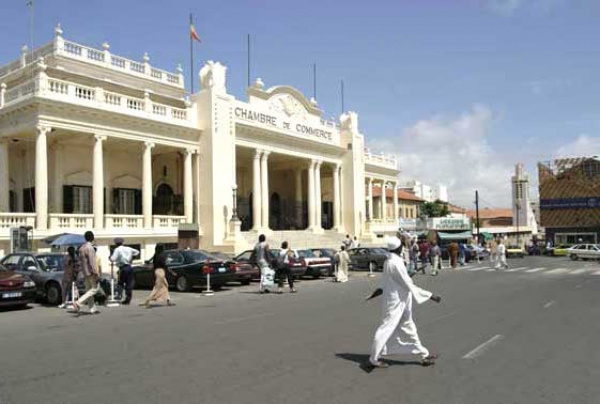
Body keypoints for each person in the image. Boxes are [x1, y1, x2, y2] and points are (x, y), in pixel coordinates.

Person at [366, 236, 441, 369]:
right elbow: (407, 283)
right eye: (402, 245)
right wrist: (430, 295)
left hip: (402, 300)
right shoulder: (394, 263)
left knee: (410, 327)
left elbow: (391, 282)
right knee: (386, 328)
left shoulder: (390, 262)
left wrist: (374, 294)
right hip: (395, 303)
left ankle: (424, 355)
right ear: (398, 248)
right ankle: (373, 358)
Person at [72, 231, 100, 314]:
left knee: (89, 290)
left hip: (84, 272)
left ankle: (92, 308)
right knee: (95, 289)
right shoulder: (90, 248)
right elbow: (92, 262)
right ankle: (79, 302)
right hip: (91, 272)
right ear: (92, 238)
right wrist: (95, 273)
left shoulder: (81, 248)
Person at [110, 238, 140, 305]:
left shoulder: (117, 250)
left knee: (120, 283)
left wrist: (110, 257)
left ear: (116, 244)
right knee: (129, 284)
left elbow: (113, 259)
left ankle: (119, 296)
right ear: (122, 243)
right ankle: (128, 299)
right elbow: (137, 252)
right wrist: (132, 258)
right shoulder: (128, 248)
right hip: (129, 267)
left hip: (122, 268)